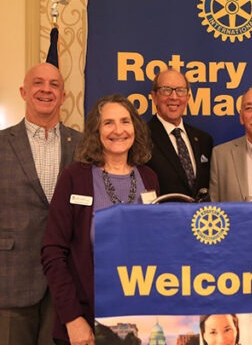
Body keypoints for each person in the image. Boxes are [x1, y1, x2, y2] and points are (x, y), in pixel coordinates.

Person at [41, 94, 160, 345]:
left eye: (125, 122)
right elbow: (53, 252)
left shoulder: (149, 178)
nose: (118, 130)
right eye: (108, 123)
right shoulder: (75, 177)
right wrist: (73, 319)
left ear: (135, 129)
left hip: (139, 315)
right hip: (86, 318)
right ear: (96, 131)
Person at [0, 62, 81, 345]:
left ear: (63, 96)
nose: (46, 89)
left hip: (66, 283)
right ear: (24, 91)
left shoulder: (82, 146)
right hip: (10, 278)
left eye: (54, 85)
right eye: (38, 83)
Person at [146, 69, 213, 199]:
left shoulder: (204, 139)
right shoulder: (142, 137)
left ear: (187, 97)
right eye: (166, 90)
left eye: (180, 90)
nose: (174, 97)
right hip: (162, 217)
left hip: (200, 218)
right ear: (154, 97)